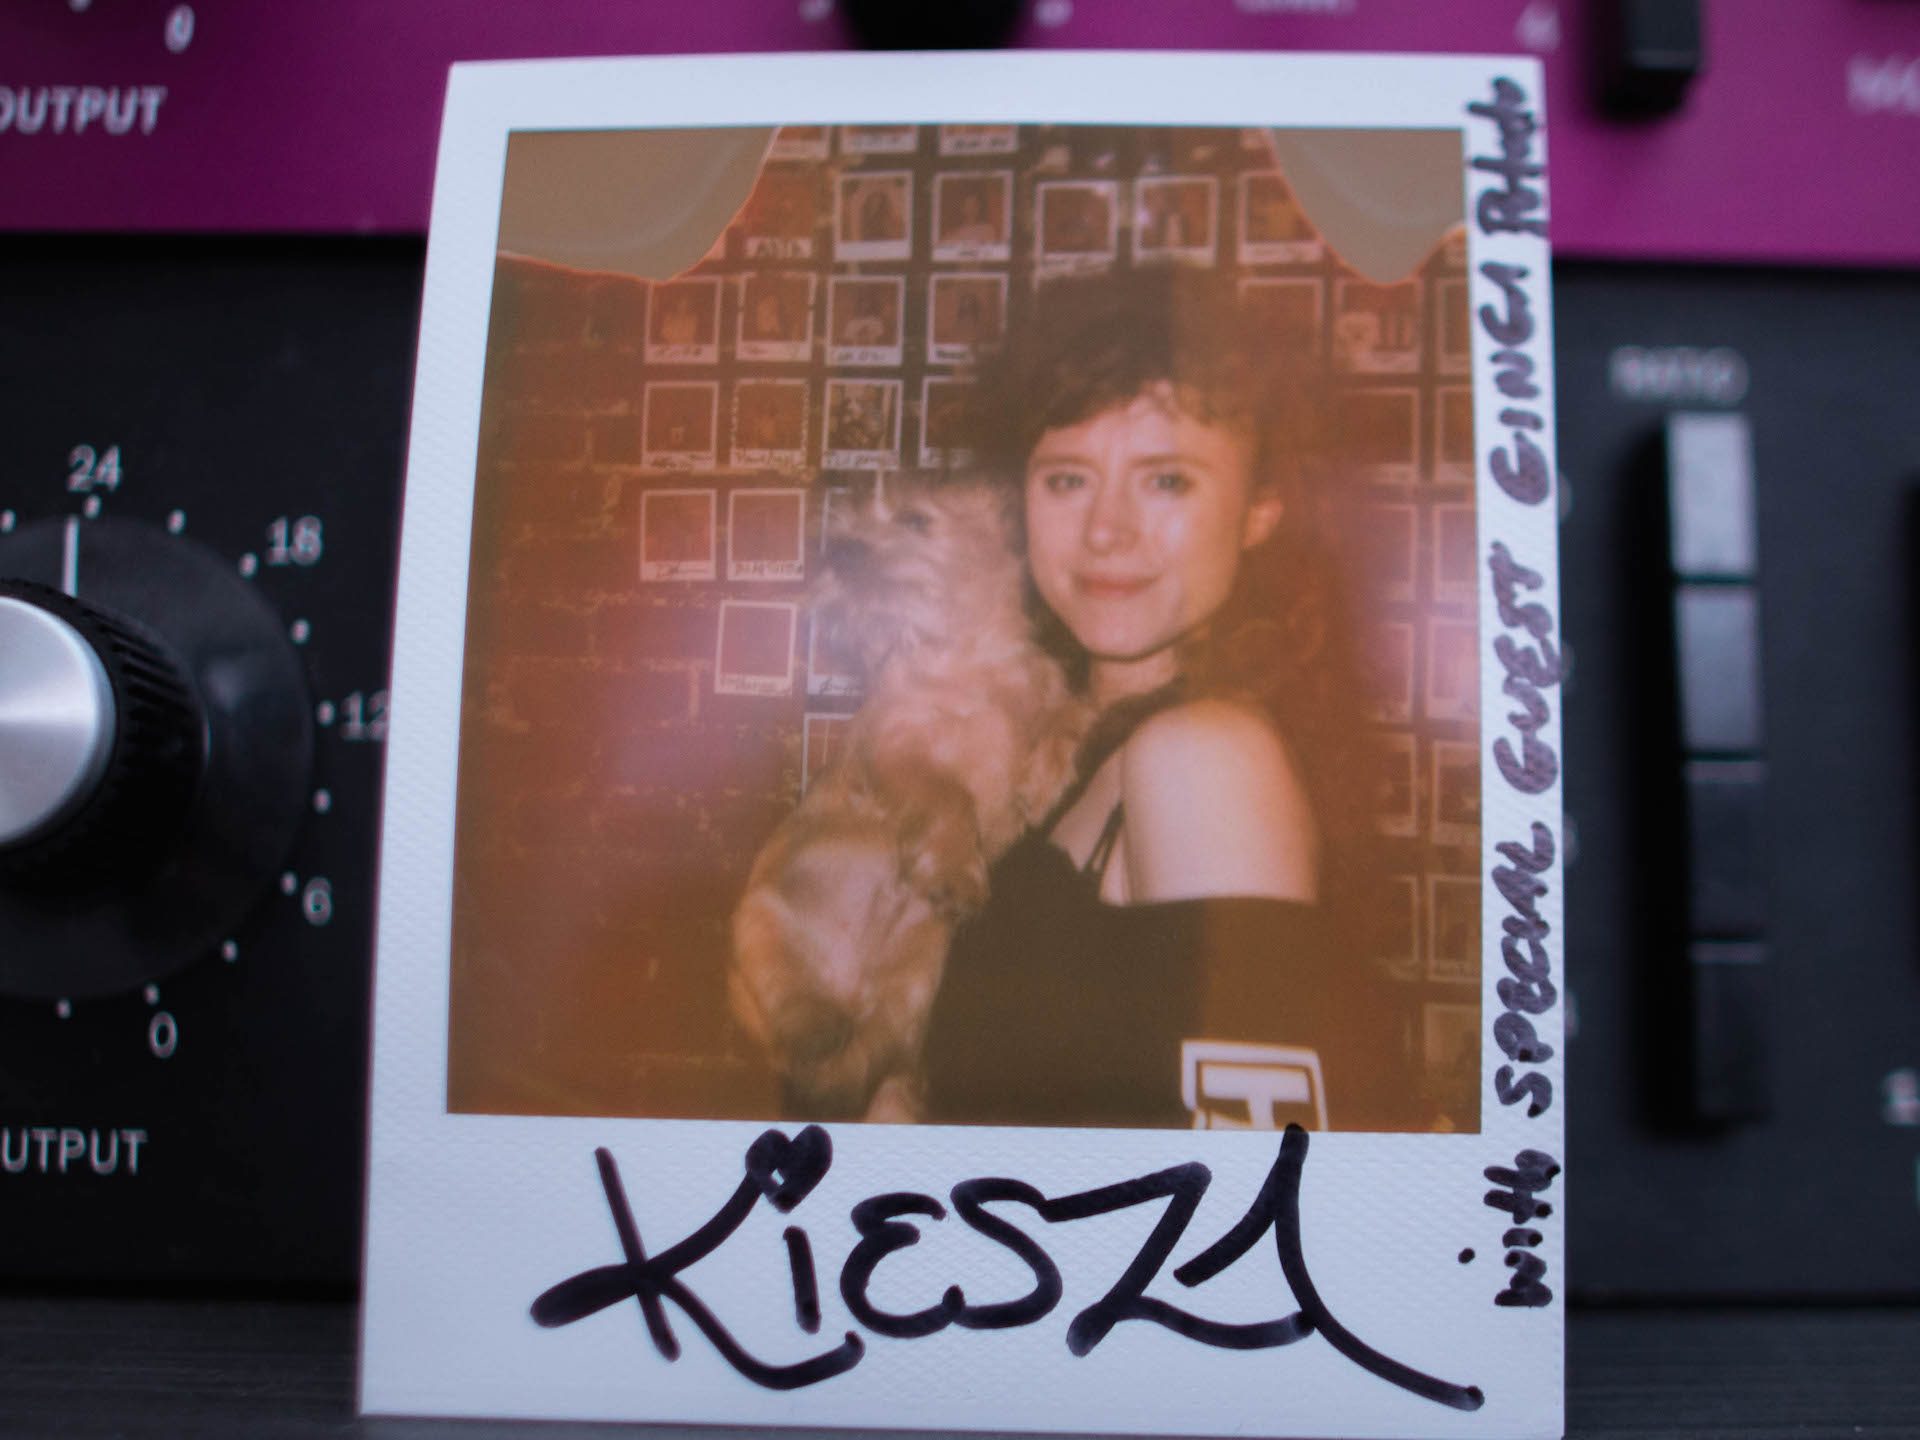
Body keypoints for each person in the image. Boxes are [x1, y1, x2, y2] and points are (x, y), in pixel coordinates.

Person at [921, 268, 1417, 1131]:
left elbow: (1264, 1190)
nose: (1106, 530)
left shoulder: (1203, 758)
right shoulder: (1069, 750)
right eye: (1067, 479)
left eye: (1167, 481)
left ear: (1260, 509)